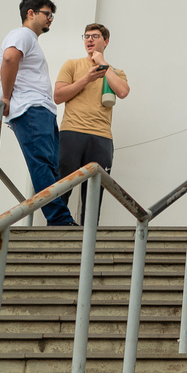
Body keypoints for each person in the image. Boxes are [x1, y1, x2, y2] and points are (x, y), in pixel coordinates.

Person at [0, 0, 76, 227]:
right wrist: (6, 97)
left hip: (40, 110)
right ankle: (60, 220)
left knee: (50, 166)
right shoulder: (22, 34)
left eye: (52, 15)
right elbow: (9, 59)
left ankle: (59, 219)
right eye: (47, 14)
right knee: (42, 164)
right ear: (31, 13)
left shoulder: (29, 39)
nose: (51, 19)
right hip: (30, 109)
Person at [54, 23, 130, 224]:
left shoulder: (116, 71)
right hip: (71, 132)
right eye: (86, 36)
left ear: (105, 41)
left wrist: (103, 65)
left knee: (94, 193)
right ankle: (54, 230)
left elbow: (123, 92)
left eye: (95, 36)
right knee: (62, 186)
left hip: (102, 137)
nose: (89, 40)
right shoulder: (72, 65)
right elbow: (58, 96)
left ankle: (88, 240)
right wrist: (86, 79)